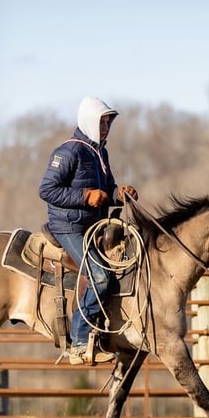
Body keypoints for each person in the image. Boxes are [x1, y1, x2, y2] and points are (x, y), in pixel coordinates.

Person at [39, 96, 138, 365]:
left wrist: (119, 193)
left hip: (92, 226)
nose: (106, 128)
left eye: (108, 123)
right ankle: (80, 341)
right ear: (89, 122)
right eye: (102, 122)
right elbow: (47, 190)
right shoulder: (68, 152)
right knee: (101, 277)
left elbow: (105, 192)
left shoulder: (100, 153)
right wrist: (85, 197)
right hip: (68, 226)